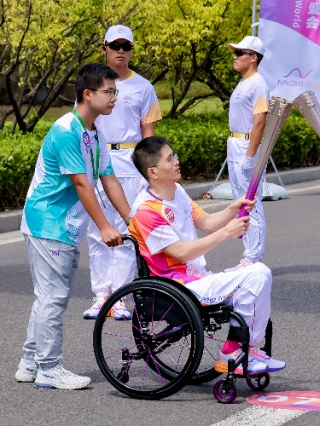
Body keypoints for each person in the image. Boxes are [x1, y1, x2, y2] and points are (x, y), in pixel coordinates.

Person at [16, 63, 131, 390]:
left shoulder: (94, 131)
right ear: (87, 94)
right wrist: (106, 227)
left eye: (115, 91)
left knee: (46, 296)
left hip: (61, 224)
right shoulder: (67, 131)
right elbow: (82, 184)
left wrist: (131, 220)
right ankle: (49, 368)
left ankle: (29, 361)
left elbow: (108, 178)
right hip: (47, 221)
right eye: (108, 92)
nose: (114, 98)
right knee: (53, 296)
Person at [129, 136, 285, 375]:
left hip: (198, 278)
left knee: (257, 278)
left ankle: (247, 349)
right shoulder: (146, 211)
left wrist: (233, 208)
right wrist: (226, 232)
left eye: (175, 156)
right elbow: (180, 253)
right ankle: (233, 352)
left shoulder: (177, 191)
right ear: (153, 171)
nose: (177, 162)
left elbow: (206, 222)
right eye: (170, 159)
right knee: (257, 274)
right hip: (178, 286)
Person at [83, 24, 162, 320]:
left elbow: (148, 132)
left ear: (131, 51)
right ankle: (100, 294)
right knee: (97, 230)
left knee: (129, 228)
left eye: (125, 46)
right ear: (104, 48)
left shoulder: (143, 87)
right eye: (114, 45)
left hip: (130, 162)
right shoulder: (91, 84)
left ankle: (120, 296)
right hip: (98, 159)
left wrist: (149, 168)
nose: (119, 51)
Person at [223, 36, 269, 272]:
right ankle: (248, 255)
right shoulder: (244, 82)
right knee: (241, 201)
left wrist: (250, 157)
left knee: (251, 202)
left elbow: (260, 121)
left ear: (253, 57)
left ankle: (253, 257)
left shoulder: (258, 83)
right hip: (236, 144)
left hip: (246, 146)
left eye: (240, 53)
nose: (235, 56)